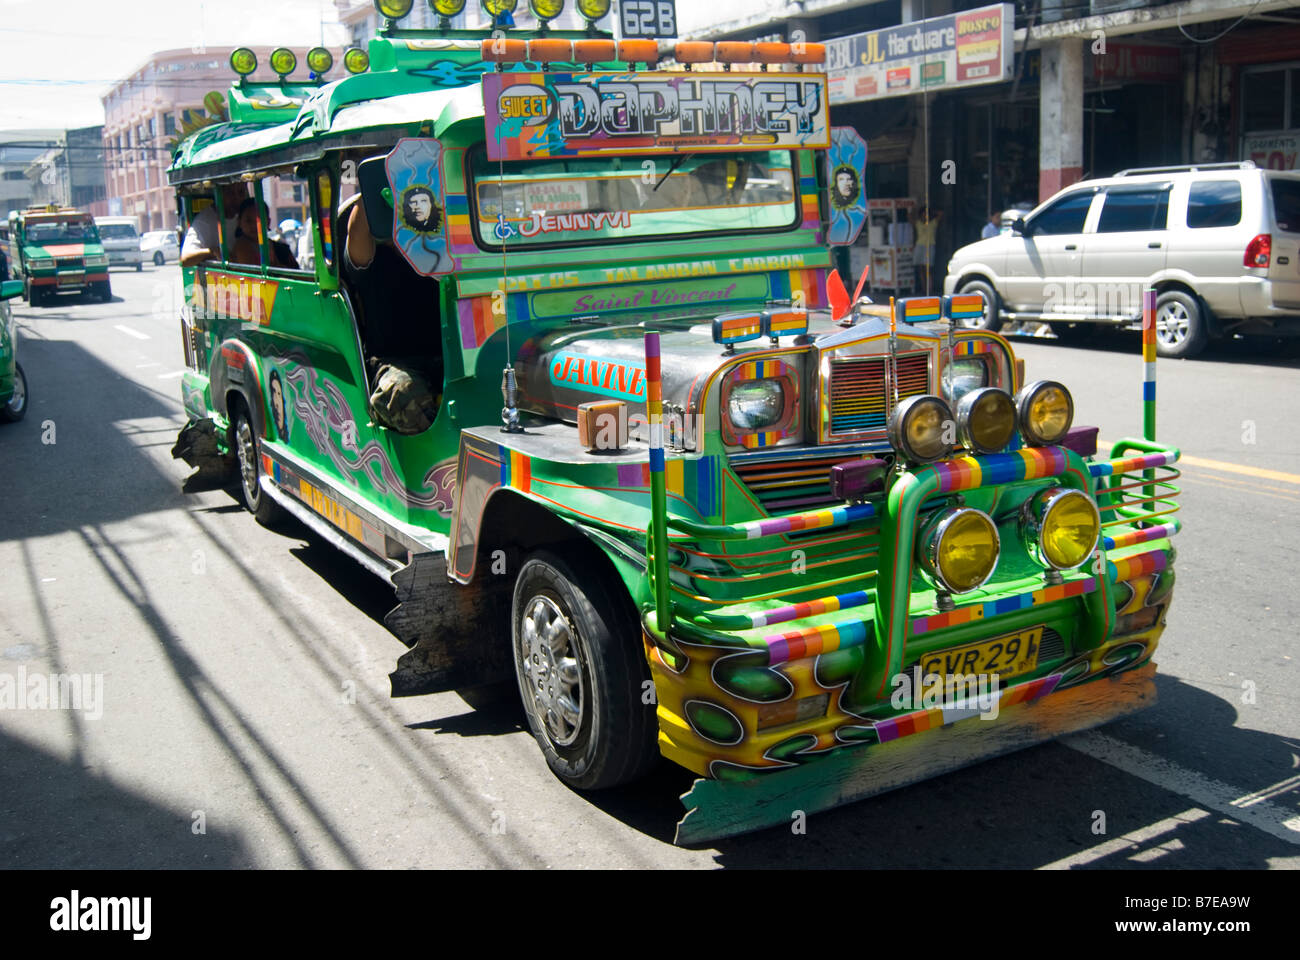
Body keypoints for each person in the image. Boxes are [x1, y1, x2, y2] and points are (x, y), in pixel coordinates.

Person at [342, 192, 441, 434]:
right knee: (402, 393)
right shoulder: (373, 259)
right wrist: (372, 188)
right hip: (393, 363)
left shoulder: (434, 254)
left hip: (446, 357)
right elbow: (356, 234)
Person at [180, 182, 247, 266]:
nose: (236, 198)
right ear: (220, 194)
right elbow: (186, 259)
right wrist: (213, 251)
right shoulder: (204, 221)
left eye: (241, 192)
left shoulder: (245, 215)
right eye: (230, 193)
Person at [230, 198, 297, 269]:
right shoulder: (241, 246)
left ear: (268, 222)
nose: (254, 225)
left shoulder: (282, 250)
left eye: (259, 221)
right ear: (239, 222)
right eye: (248, 221)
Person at [913, 205, 941, 294]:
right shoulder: (918, 223)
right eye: (923, 214)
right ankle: (923, 289)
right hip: (919, 246)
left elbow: (941, 214)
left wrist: (932, 212)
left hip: (930, 246)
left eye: (926, 214)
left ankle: (930, 290)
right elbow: (909, 216)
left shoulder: (933, 223)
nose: (925, 216)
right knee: (921, 269)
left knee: (928, 270)